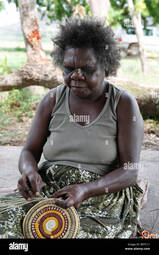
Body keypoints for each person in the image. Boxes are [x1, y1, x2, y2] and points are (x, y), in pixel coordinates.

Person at [0, 17, 144, 238]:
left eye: (86, 68)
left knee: (72, 234)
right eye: (68, 68)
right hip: (50, 190)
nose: (75, 76)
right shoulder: (52, 100)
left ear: (105, 65)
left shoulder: (122, 104)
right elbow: (29, 151)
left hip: (101, 194)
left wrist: (85, 190)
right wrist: (30, 171)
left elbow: (130, 171)